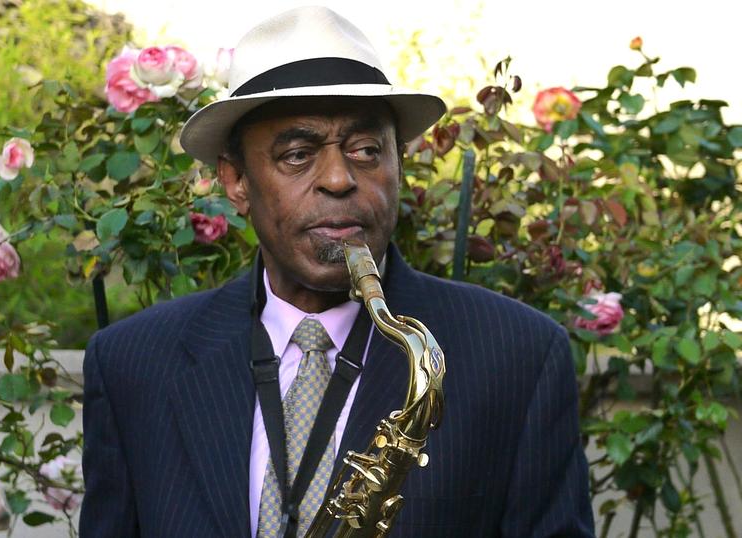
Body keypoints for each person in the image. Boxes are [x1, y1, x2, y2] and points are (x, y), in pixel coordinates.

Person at [80, 6, 594, 537]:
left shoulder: (520, 357)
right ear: (235, 181)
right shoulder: (131, 366)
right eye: (298, 154)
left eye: (367, 149)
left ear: (400, 163)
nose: (339, 179)